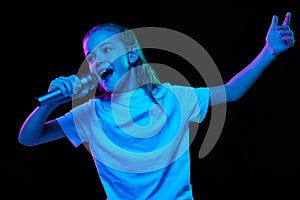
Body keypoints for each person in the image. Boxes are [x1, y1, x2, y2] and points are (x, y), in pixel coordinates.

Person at [18, 12, 295, 200]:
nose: (97, 61)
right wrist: (51, 102)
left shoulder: (173, 98)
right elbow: (29, 138)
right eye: (91, 57)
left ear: (131, 54)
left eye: (106, 50)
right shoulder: (90, 113)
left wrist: (268, 52)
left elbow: (231, 92)